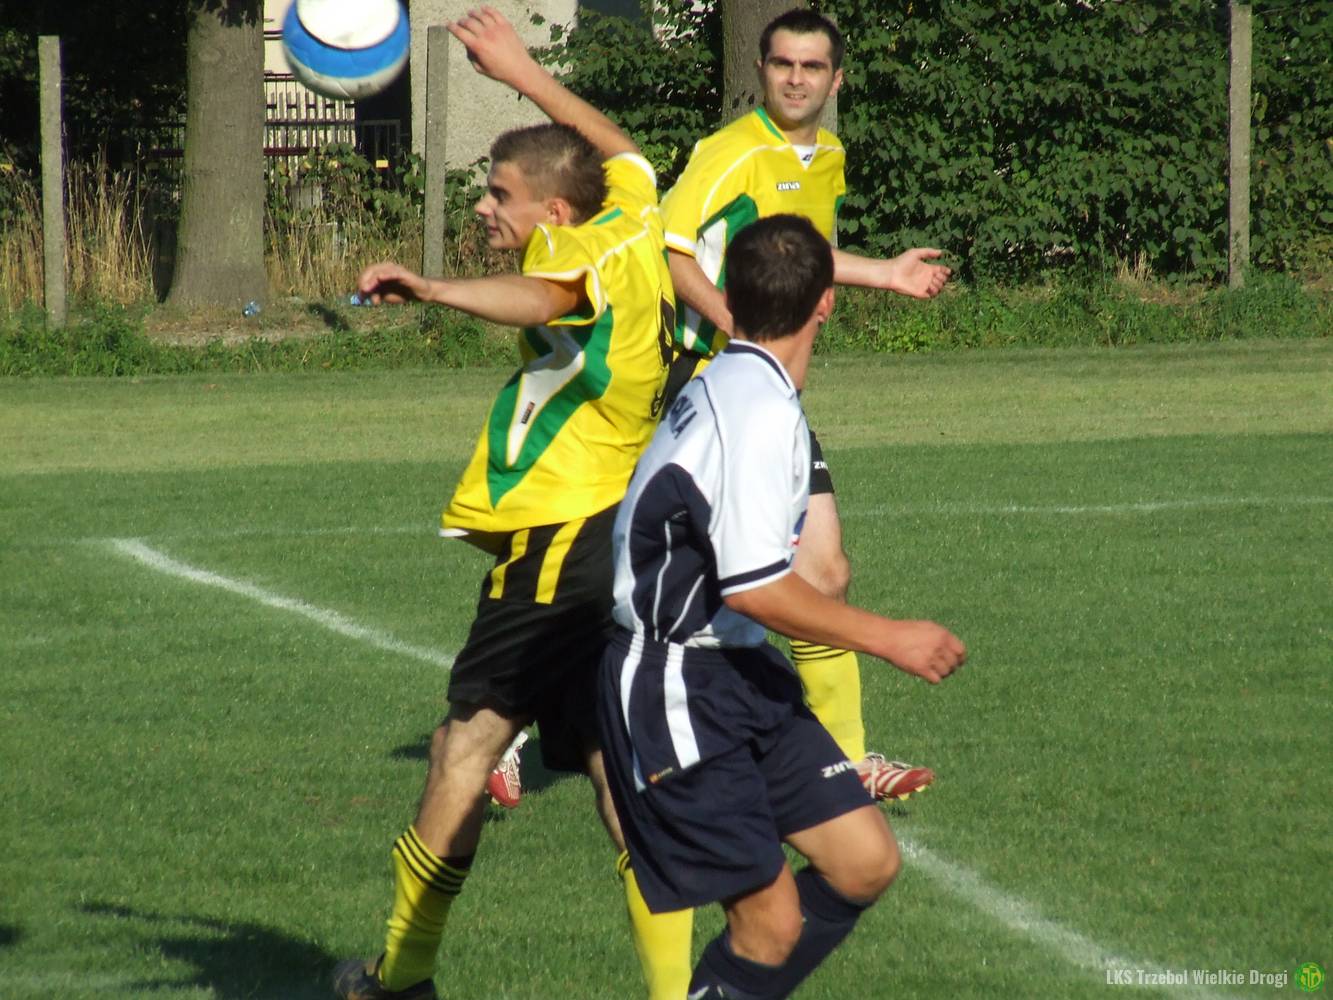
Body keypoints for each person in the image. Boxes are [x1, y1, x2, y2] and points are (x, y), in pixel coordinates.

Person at [331, 7, 672, 999]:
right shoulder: (630, 216)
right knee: (609, 765)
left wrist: (434, 290)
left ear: (553, 213)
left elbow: (544, 299)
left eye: (498, 194)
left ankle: (401, 976)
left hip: (562, 540)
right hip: (622, 535)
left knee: (464, 745)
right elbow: (624, 154)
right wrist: (522, 73)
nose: (485, 208)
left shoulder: (572, 257)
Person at [598, 214, 966, 1000]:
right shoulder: (756, 412)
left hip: (736, 670)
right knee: (767, 923)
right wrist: (890, 638)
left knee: (863, 861)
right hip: (675, 684)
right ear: (825, 302)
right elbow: (755, 587)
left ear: (728, 297)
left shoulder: (736, 378)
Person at [662, 8, 948, 805]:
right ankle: (501, 730)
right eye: (782, 63)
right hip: (707, 388)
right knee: (643, 584)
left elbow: (804, 255)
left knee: (823, 572)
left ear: (835, 79)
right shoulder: (728, 152)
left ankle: (847, 766)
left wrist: (883, 272)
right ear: (761, 70)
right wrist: (740, 331)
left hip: (771, 397)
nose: (795, 78)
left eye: (811, 66)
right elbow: (672, 253)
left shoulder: (827, 156)